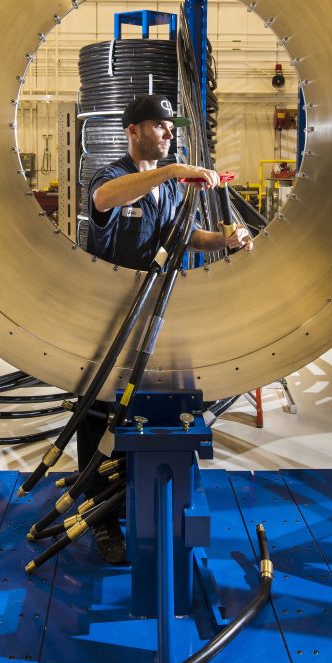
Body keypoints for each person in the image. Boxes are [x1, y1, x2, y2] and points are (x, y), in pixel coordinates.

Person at [81, 94, 253, 563]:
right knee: (99, 415)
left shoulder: (172, 189)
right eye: (159, 125)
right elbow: (103, 201)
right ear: (133, 130)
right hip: (110, 315)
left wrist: (224, 239)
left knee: (145, 410)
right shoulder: (113, 176)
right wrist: (175, 171)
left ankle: (138, 496)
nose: (169, 133)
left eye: (170, 126)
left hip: (157, 312)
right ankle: (100, 519)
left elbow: (182, 236)